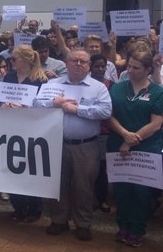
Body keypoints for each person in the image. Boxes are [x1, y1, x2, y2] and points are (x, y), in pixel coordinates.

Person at [36, 49, 112, 241]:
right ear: (66, 63)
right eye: (74, 60)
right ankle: (59, 220)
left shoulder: (98, 87)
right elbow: (36, 103)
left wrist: (77, 109)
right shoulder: (52, 84)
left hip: (86, 146)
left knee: (83, 187)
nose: (78, 64)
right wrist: (54, 103)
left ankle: (83, 223)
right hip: (56, 143)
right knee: (58, 185)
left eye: (83, 61)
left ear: (88, 66)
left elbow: (105, 111)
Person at [107, 50, 162, 247]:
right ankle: (122, 225)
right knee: (121, 190)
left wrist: (130, 141)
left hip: (146, 148)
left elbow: (156, 123)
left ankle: (137, 228)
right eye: (128, 66)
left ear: (148, 70)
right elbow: (109, 115)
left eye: (135, 68)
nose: (129, 70)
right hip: (117, 145)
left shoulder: (158, 92)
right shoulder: (117, 88)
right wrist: (124, 134)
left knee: (141, 191)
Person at [2, 45, 48, 222]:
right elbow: (1, 99)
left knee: (30, 170)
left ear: (26, 60)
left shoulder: (40, 80)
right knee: (13, 169)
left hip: (32, 131)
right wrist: (4, 105)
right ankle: (18, 206)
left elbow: (44, 106)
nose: (11, 62)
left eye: (13, 59)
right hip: (11, 130)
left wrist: (27, 107)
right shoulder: (9, 77)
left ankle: (35, 208)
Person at [89, 54, 112, 214]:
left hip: (105, 133)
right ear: (91, 67)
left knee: (102, 169)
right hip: (89, 132)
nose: (101, 69)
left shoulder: (113, 85)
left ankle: (102, 199)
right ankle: (89, 198)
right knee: (89, 169)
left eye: (103, 66)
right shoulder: (86, 85)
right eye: (97, 66)